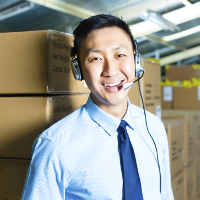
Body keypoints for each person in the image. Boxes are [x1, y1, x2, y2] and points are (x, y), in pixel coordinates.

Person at [22, 14, 174, 200]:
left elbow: (165, 194)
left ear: (136, 61)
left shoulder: (154, 127)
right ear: (78, 71)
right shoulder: (55, 146)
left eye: (120, 55)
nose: (111, 71)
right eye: (95, 59)